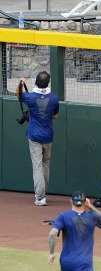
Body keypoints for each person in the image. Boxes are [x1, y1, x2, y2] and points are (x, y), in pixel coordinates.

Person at [17, 71, 59, 206]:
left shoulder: (30, 97)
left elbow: (18, 94)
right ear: (48, 83)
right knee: (45, 165)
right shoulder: (53, 98)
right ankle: (43, 193)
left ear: (36, 82)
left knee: (37, 166)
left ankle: (40, 197)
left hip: (34, 136)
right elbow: (55, 116)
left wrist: (20, 83)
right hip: (48, 136)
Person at [48, 191, 101, 271]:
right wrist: (90, 206)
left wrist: (51, 253)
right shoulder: (92, 216)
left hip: (67, 263)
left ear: (71, 201)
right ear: (85, 202)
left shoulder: (63, 216)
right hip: (84, 264)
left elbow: (52, 234)